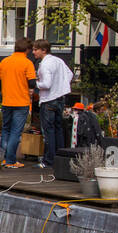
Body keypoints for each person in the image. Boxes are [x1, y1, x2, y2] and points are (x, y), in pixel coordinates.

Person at [0, 40, 38, 168]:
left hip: (7, 100)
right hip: (21, 101)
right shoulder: (27, 63)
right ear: (28, 50)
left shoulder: (5, 61)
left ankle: (3, 158)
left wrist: (4, 91)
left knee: (5, 129)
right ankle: (11, 160)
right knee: (15, 131)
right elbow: (32, 82)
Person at [33, 39, 73, 170]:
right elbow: (70, 74)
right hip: (60, 98)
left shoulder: (44, 65)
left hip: (49, 99)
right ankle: (60, 158)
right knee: (58, 129)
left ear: (43, 50)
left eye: (35, 49)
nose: (33, 52)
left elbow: (47, 84)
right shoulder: (58, 60)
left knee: (48, 131)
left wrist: (35, 84)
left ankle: (48, 160)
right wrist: (61, 85)